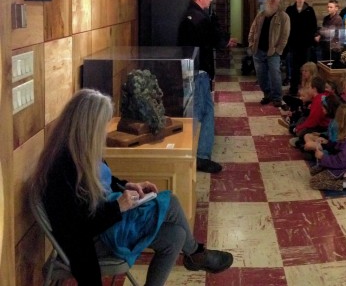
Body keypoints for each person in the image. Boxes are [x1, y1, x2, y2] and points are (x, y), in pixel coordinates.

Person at [29, 89, 233, 286]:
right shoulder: (62, 168)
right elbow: (78, 228)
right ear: (87, 127)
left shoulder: (81, 151)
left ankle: (195, 254)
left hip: (110, 222)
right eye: (102, 125)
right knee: (169, 201)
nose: (104, 131)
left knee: (176, 236)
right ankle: (196, 254)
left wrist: (128, 185)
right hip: (98, 238)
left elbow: (104, 179)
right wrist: (118, 207)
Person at [178, 0, 237, 84]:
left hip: (195, 65)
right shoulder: (198, 17)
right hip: (199, 67)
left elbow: (210, 33)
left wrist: (225, 40)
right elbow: (209, 38)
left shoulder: (195, 13)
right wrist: (225, 42)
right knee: (201, 96)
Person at [309, 104, 346, 191]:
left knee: (313, 182)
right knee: (313, 171)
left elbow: (341, 162)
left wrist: (322, 157)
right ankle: (345, 178)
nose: (336, 121)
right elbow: (337, 147)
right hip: (340, 165)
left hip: (344, 169)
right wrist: (326, 143)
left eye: (338, 118)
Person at [249, 0, 291, 106]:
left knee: (275, 75)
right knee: (261, 75)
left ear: (279, 2)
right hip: (258, 50)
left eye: (274, 0)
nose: (272, 1)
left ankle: (277, 97)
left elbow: (284, 36)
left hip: (273, 52)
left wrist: (278, 50)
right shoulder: (261, 15)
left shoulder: (284, 17)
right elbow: (253, 29)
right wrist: (251, 42)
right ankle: (267, 95)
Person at [286, 0, 318, 96]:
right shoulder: (290, 10)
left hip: (306, 44)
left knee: (306, 68)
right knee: (294, 67)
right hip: (294, 43)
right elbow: (287, 26)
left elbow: (313, 26)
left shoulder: (310, 10)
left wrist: (311, 38)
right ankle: (293, 88)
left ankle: (306, 88)